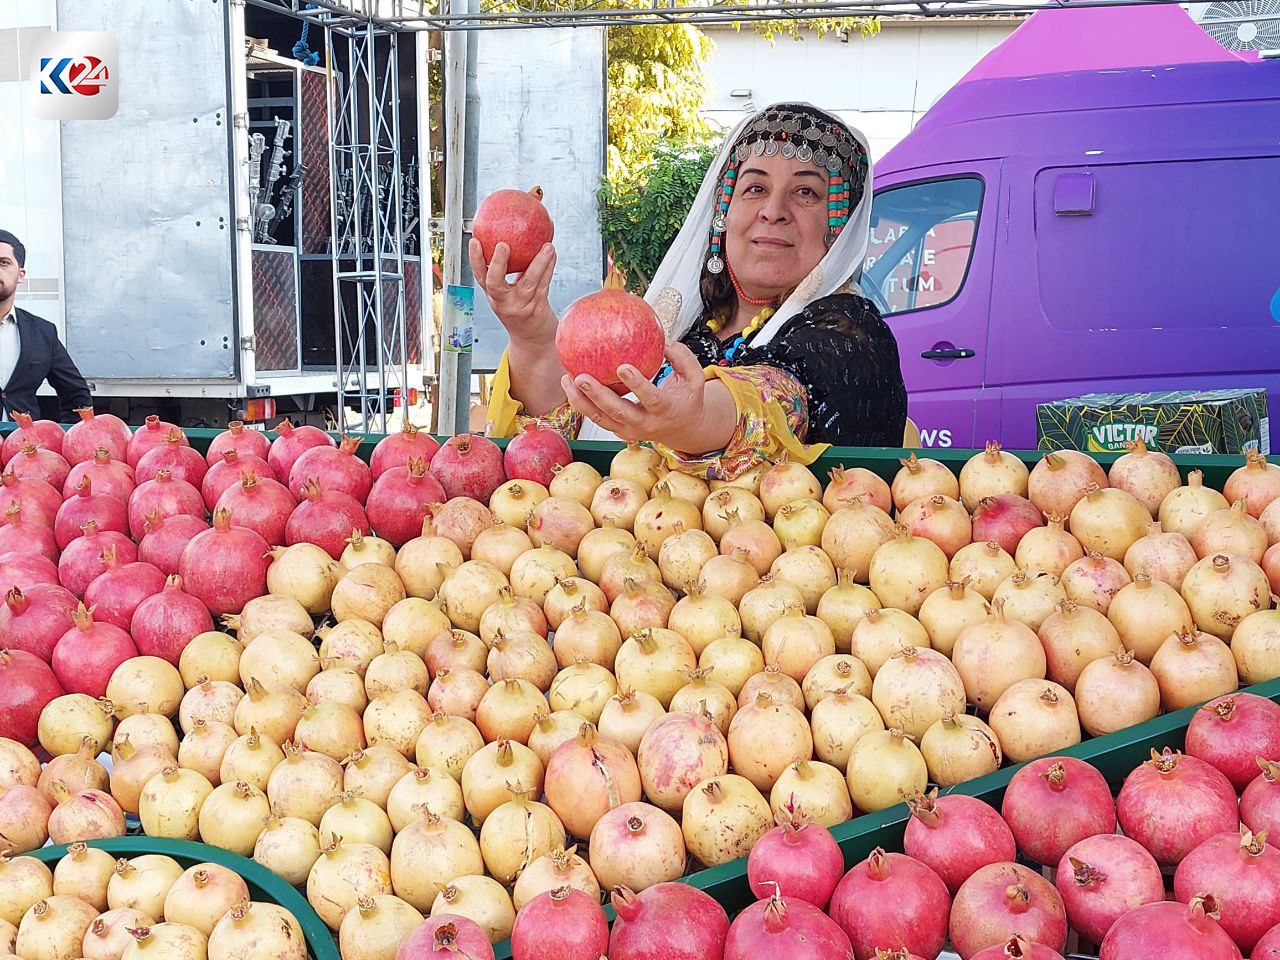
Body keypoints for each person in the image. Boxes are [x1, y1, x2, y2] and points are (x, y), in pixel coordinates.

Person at [476, 102, 907, 479]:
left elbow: (780, 398)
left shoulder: (850, 335)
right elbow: (565, 439)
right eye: (755, 187)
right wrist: (531, 332)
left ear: (839, 227)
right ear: (723, 211)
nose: (774, 211)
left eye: (806, 193)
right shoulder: (681, 328)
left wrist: (693, 420)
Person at [0, 230, 93, 420]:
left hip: (24, 446)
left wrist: (69, 441)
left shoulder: (42, 332)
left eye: (3, 262)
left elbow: (76, 395)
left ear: (20, 274)